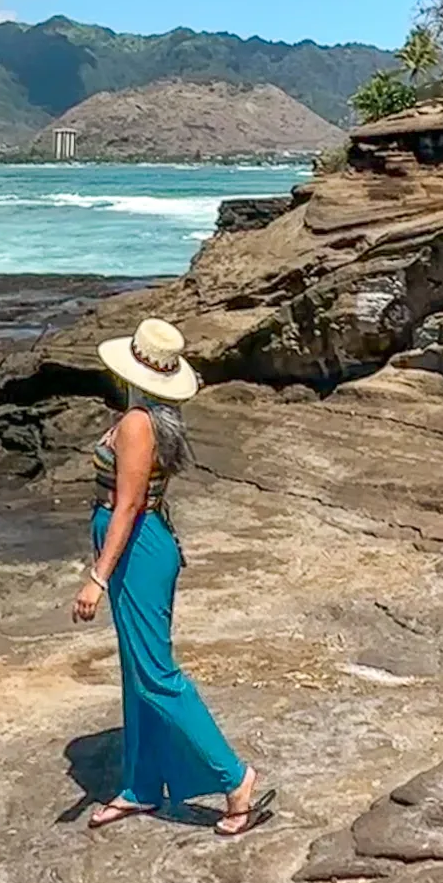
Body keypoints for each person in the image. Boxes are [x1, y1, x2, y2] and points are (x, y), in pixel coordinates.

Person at [71, 316, 273, 837]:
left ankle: (234, 777)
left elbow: (131, 503)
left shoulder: (139, 423)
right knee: (138, 672)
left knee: (156, 673)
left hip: (137, 547)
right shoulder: (150, 415)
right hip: (138, 544)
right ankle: (141, 785)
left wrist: (96, 576)